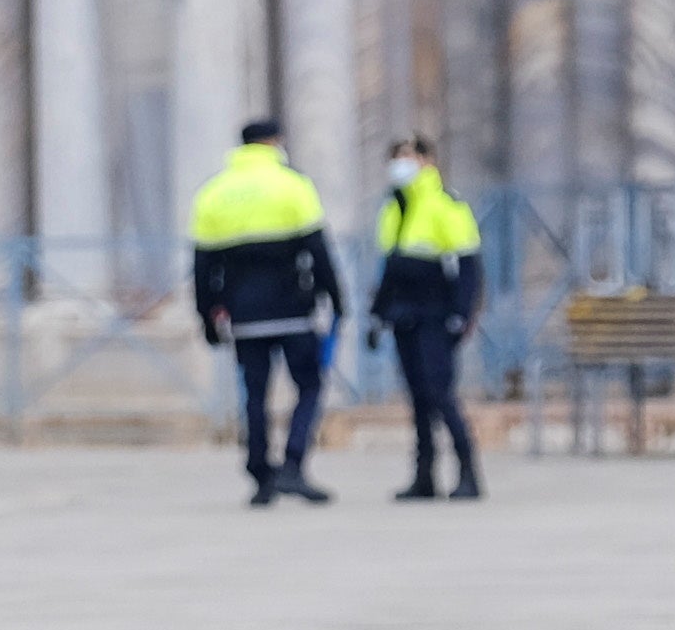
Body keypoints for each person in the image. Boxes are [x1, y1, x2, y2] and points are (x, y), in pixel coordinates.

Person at [187, 117, 347, 509]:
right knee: (308, 385)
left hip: (243, 316)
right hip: (293, 308)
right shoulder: (293, 185)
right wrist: (337, 297)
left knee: (253, 395)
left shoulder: (214, 193)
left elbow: (203, 266)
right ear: (274, 142)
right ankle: (293, 463)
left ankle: (261, 474)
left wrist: (206, 315)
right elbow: (318, 248)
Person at [370, 136, 487, 503]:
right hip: (404, 316)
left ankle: (468, 471)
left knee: (440, 393)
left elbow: (467, 266)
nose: (400, 165)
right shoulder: (394, 207)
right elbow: (389, 269)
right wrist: (376, 315)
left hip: (436, 315)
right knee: (418, 397)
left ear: (427, 160)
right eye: (395, 158)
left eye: (406, 157)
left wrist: (461, 314)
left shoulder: (443, 204)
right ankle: (425, 476)